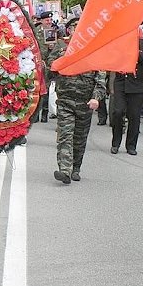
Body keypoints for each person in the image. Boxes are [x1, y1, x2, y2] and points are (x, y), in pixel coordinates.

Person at [48, 17, 106, 184]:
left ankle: (76, 167)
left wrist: (96, 98)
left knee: (79, 138)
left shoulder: (94, 52)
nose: (77, 32)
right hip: (65, 101)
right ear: (70, 31)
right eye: (74, 29)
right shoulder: (61, 50)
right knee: (65, 135)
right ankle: (64, 170)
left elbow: (100, 79)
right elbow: (50, 70)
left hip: (85, 103)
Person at [110, 30, 143, 155]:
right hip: (121, 83)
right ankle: (115, 142)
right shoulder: (119, 43)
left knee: (134, 116)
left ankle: (131, 145)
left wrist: (137, 54)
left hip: (136, 85)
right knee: (117, 112)